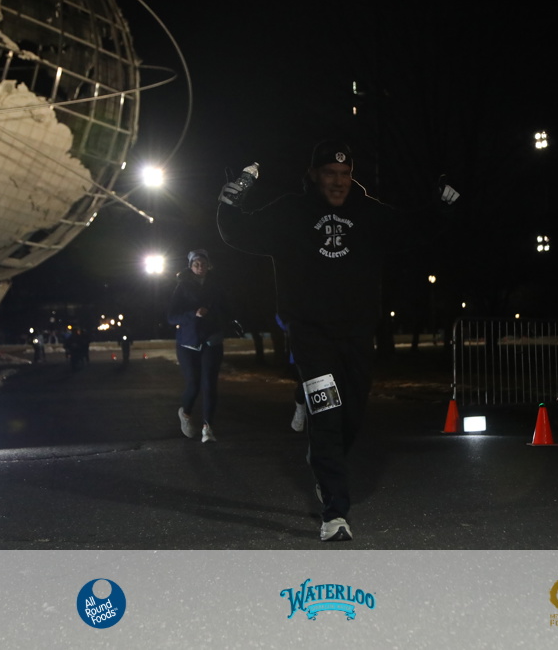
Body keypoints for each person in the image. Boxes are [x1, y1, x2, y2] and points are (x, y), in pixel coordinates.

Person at [217, 140, 460, 541]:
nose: (338, 181)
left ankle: (321, 459)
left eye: (345, 174)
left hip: (357, 334)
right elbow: (240, 232)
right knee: (327, 417)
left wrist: (443, 205)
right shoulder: (291, 213)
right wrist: (229, 203)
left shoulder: (368, 213)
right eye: (330, 173)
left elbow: (413, 228)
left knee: (352, 416)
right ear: (314, 175)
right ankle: (335, 513)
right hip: (311, 337)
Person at [166, 249, 233, 444]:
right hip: (188, 342)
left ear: (208, 265)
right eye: (196, 264)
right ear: (190, 266)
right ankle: (186, 414)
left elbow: (229, 311)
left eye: (203, 263)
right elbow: (171, 317)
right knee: (194, 384)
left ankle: (207, 428)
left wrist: (217, 318)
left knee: (210, 384)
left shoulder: (217, 285)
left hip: (212, 340)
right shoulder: (182, 286)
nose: (200, 267)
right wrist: (192, 314)